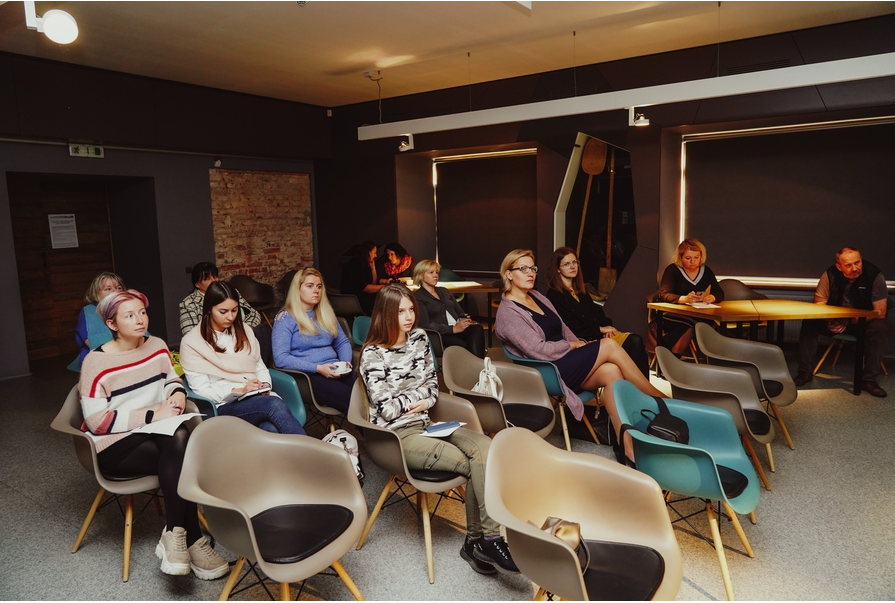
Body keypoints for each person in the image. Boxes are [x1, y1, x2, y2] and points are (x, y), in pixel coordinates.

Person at [359, 284, 518, 576]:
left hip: (427, 424)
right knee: (473, 465)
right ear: (385, 314)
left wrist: (419, 399)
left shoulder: (420, 338)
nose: (409, 317)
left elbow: (433, 388)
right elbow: (386, 409)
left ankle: (482, 541)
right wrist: (416, 398)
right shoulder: (373, 354)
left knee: (486, 448)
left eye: (411, 309)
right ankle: (483, 541)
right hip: (396, 436)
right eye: (400, 312)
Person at [79, 290, 229, 580]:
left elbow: (172, 379)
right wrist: (152, 415)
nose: (140, 320)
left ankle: (176, 535)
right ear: (112, 324)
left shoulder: (157, 345)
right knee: (182, 451)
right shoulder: (95, 363)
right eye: (129, 315)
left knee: (178, 441)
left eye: (142, 312)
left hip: (156, 434)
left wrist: (177, 394)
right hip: (115, 446)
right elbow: (97, 422)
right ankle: (193, 539)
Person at [494, 249, 666, 463]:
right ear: (509, 274)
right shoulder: (508, 313)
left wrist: (581, 345)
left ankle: (626, 446)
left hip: (566, 360)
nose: (530, 273)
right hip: (549, 370)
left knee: (611, 371)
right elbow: (538, 350)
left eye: (532, 268)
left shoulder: (536, 297)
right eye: (523, 268)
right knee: (609, 345)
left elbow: (563, 328)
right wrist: (571, 345)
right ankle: (656, 399)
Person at [180, 281, 307, 434]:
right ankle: (312, 448)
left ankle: (305, 449)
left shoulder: (244, 331)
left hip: (256, 397)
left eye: (234, 310)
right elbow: (202, 391)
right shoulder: (192, 342)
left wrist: (264, 385)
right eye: (223, 311)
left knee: (269, 428)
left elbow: (259, 366)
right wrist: (239, 390)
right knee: (273, 405)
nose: (230, 317)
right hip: (223, 405)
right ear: (209, 309)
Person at [793, 247, 889, 397]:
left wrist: (847, 322)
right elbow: (819, 304)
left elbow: (880, 312)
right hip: (835, 319)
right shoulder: (829, 274)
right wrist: (831, 320)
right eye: (849, 265)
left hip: (862, 323)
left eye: (857, 262)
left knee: (879, 328)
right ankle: (804, 372)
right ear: (839, 266)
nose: (855, 268)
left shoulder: (874, 275)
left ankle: (869, 380)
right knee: (809, 322)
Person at [545, 247, 649, 376]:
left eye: (574, 262)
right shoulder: (554, 295)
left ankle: (638, 386)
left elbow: (597, 313)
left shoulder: (581, 291)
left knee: (635, 341)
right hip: (582, 341)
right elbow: (570, 326)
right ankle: (641, 387)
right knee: (634, 342)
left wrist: (608, 327)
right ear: (557, 269)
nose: (572, 266)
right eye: (566, 264)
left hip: (598, 335)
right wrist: (600, 329)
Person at [272, 268, 356, 414]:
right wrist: (318, 368)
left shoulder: (326, 313)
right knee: (352, 401)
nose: (316, 291)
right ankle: (375, 429)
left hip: (336, 369)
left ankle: (379, 427)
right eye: (310, 286)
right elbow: (281, 358)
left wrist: (345, 362)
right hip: (308, 376)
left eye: (319, 286)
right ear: (297, 289)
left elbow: (342, 342)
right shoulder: (286, 318)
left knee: (367, 392)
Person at [657, 238, 725, 350]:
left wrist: (712, 297)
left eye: (696, 258)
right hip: (673, 314)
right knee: (691, 325)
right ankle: (673, 356)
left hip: (698, 313)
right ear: (680, 257)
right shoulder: (672, 270)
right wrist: (684, 299)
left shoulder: (706, 270)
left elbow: (719, 292)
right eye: (688, 258)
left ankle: (710, 355)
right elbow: (665, 294)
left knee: (707, 324)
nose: (693, 261)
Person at [413, 259, 486, 358]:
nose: (436, 275)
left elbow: (460, 312)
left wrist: (464, 320)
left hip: (457, 327)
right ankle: (478, 363)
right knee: (468, 347)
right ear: (421, 275)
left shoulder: (444, 291)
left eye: (437, 272)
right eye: (431, 272)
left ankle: (477, 363)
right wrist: (453, 329)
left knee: (477, 328)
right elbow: (426, 325)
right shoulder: (418, 297)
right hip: (440, 334)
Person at [179, 262, 261, 335]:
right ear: (197, 284)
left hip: (242, 336)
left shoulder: (230, 292)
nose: (213, 281)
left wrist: (247, 329)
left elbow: (254, 314)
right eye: (207, 279)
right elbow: (190, 333)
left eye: (215, 276)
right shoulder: (189, 303)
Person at [70, 271, 126, 370]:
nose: (115, 291)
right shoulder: (89, 312)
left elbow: (143, 338)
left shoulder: (127, 308)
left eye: (119, 288)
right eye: (108, 289)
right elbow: (98, 345)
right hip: (99, 365)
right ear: (96, 293)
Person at [340, 240, 385, 315]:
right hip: (355, 299)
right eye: (374, 253)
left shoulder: (364, 263)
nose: (376, 255)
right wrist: (385, 287)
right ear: (368, 252)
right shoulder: (357, 264)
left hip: (361, 297)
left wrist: (373, 269)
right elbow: (366, 288)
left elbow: (373, 284)